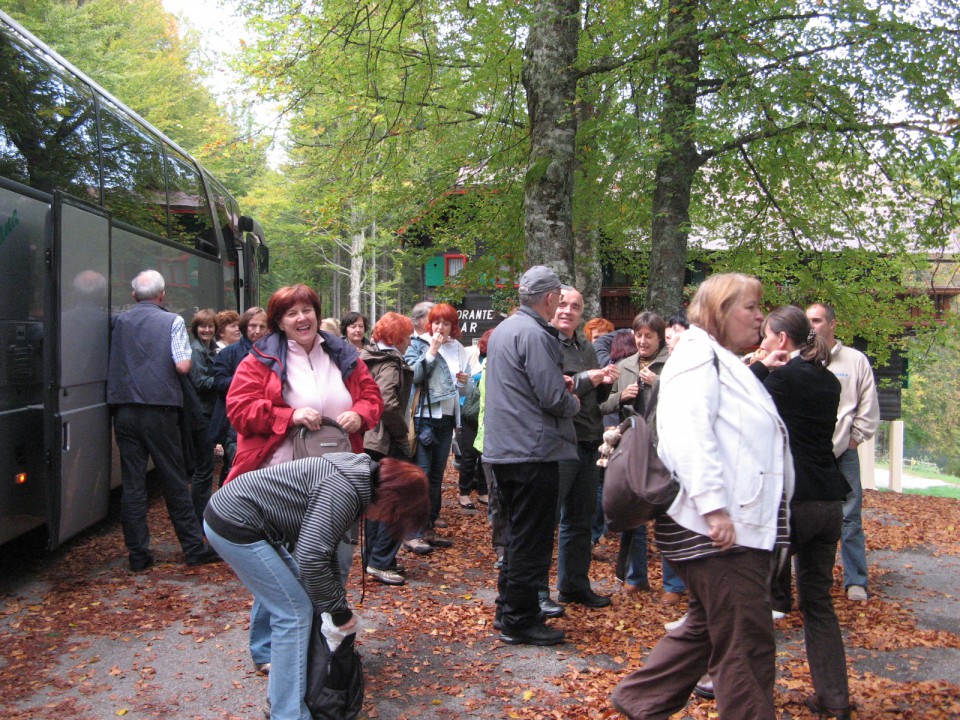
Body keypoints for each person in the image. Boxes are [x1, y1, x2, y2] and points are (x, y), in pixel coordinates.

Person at [611, 272, 794, 719]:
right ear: (720, 310)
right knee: (746, 644)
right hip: (718, 530)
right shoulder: (698, 358)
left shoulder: (721, 359)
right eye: (751, 307)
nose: (760, 317)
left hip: (731, 525)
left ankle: (640, 700)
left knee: (707, 628)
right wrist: (714, 508)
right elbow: (687, 436)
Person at [225, 284, 383, 674]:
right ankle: (267, 650)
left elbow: (373, 397)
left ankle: (330, 642)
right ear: (279, 322)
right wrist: (287, 416)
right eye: (291, 312)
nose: (302, 318)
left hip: (339, 482)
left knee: (337, 564)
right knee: (286, 569)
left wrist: (361, 414)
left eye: (307, 309)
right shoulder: (259, 358)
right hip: (281, 485)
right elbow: (239, 410)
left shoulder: (343, 354)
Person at [204, 453, 429, 720]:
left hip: (249, 523)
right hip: (234, 523)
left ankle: (280, 699)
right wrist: (337, 610)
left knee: (302, 606)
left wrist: (336, 605)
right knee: (293, 613)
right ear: (392, 499)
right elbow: (311, 556)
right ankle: (287, 714)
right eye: (392, 516)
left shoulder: (357, 480)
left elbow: (326, 550)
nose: (383, 521)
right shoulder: (344, 488)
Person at [755, 305, 852, 719]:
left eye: (765, 336)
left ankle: (742, 689)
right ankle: (835, 697)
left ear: (781, 340)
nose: (761, 342)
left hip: (790, 503)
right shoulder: (829, 382)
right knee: (818, 603)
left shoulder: (778, 380)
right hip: (829, 500)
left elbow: (741, 407)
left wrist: (761, 367)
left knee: (753, 598)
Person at [484, 266, 580, 647]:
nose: (560, 300)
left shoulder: (506, 329)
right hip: (533, 450)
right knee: (531, 539)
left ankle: (507, 609)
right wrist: (572, 399)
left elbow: (522, 385)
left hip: (504, 450)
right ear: (549, 297)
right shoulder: (537, 335)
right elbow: (552, 398)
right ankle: (520, 620)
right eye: (558, 294)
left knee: (516, 536)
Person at [106, 270, 221, 572]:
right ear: (162, 295)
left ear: (133, 296)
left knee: (133, 484)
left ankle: (138, 555)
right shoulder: (172, 321)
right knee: (172, 479)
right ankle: (194, 549)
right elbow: (183, 365)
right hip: (159, 409)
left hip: (124, 409)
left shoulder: (118, 322)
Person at [543, 287, 618, 614]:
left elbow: (596, 395)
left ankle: (574, 584)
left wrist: (607, 384)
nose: (568, 311)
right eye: (562, 304)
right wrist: (592, 378)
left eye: (575, 306)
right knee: (546, 521)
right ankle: (537, 591)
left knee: (581, 519)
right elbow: (557, 387)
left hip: (589, 439)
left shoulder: (587, 348)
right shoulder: (544, 343)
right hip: (557, 442)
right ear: (551, 306)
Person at [806, 303, 880, 602]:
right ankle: (809, 582)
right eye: (807, 321)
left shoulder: (855, 360)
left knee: (850, 515)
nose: (812, 327)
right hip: (809, 454)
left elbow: (868, 404)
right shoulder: (800, 359)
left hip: (842, 451)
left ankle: (855, 580)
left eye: (817, 320)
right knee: (806, 515)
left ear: (833, 324)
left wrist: (854, 439)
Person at [600, 311, 669, 595]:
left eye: (648, 336)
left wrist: (658, 385)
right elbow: (603, 406)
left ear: (659, 337)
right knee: (633, 514)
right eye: (638, 336)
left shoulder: (671, 365)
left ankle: (673, 584)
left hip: (664, 445)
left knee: (667, 515)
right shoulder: (623, 364)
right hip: (632, 448)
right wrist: (620, 396)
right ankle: (635, 576)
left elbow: (687, 401)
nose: (642, 341)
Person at [404, 302, 477, 552]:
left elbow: (464, 390)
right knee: (421, 474)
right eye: (436, 322)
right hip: (425, 416)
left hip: (447, 417)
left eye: (446, 323)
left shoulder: (458, 349)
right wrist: (432, 351)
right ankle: (411, 532)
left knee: (436, 475)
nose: (440, 327)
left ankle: (429, 526)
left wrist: (465, 383)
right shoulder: (417, 344)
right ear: (429, 323)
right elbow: (415, 376)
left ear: (453, 326)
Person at [360, 312, 416, 585]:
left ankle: (374, 559)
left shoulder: (367, 357)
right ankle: (381, 561)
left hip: (366, 440)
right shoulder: (390, 363)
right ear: (397, 337)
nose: (410, 340)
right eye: (408, 335)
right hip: (383, 442)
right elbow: (388, 404)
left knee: (376, 504)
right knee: (397, 504)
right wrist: (402, 434)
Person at [208, 306, 268, 483]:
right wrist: (247, 377)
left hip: (266, 417)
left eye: (262, 327)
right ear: (244, 326)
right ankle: (225, 508)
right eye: (252, 326)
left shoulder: (275, 353)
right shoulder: (228, 353)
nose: (257, 331)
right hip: (236, 422)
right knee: (236, 468)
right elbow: (219, 384)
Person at [186, 309, 219, 522]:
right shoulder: (196, 351)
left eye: (210, 326)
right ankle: (200, 517)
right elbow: (201, 383)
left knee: (207, 467)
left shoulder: (212, 349)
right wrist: (226, 378)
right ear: (195, 328)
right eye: (202, 326)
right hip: (201, 414)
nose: (206, 330)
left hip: (209, 412)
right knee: (203, 468)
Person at [457, 331, 490, 511]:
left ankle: (484, 491)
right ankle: (464, 492)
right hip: (470, 412)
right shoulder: (473, 358)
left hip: (488, 414)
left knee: (485, 453)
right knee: (469, 454)